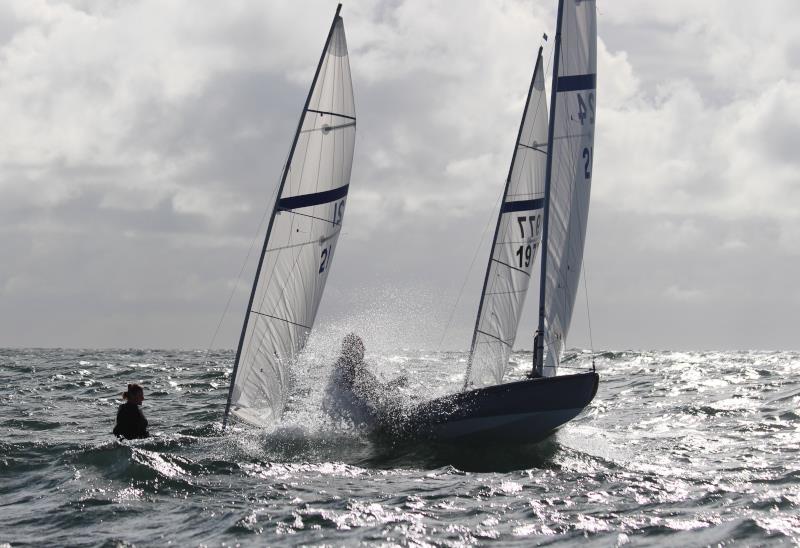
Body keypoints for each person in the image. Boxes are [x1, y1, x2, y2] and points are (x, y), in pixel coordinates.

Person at [323, 333, 408, 430]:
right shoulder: (348, 367)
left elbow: (377, 388)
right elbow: (346, 390)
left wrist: (395, 384)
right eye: (361, 347)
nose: (364, 350)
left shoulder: (344, 366)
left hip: (337, 410)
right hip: (348, 409)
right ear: (352, 349)